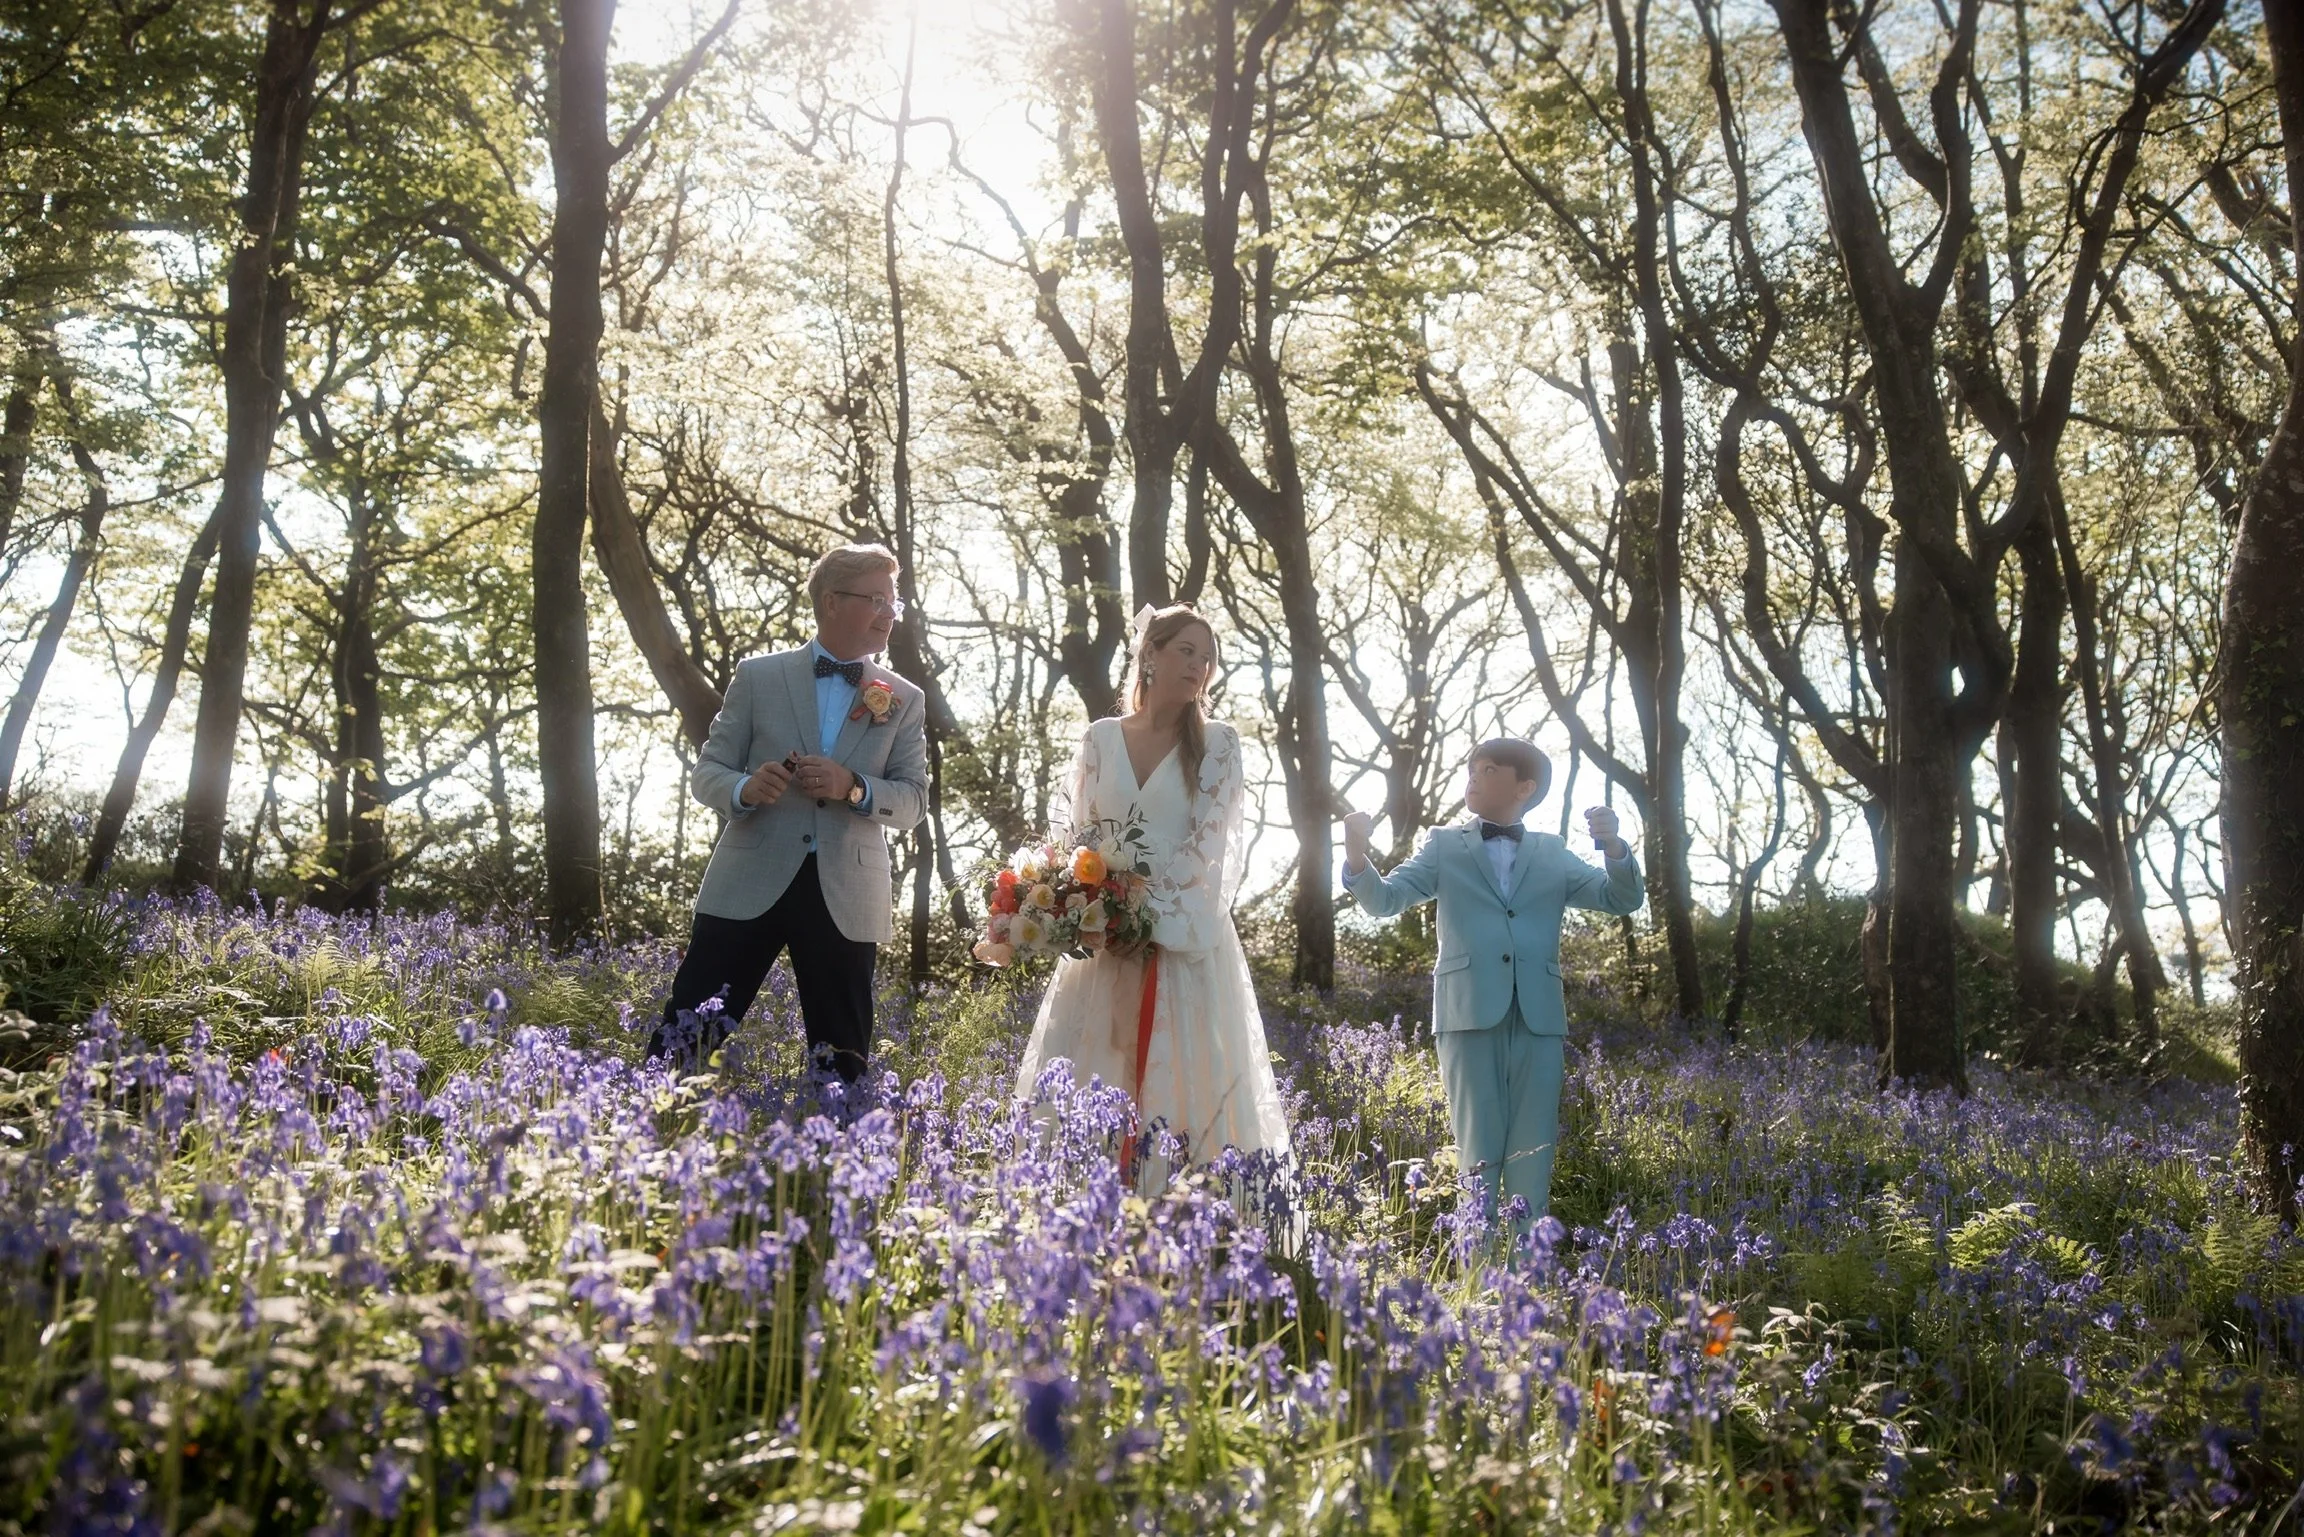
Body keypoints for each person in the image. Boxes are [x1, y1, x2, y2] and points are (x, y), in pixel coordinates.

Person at [1012, 604, 1291, 1171]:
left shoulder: (1219, 744)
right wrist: (1088, 907)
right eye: (1186, 650)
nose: (1199, 665)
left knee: (1181, 1079)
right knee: (1093, 1071)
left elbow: (1212, 848)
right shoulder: (1100, 738)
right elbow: (1076, 837)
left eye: (1208, 657)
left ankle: (1185, 1218)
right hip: (1102, 941)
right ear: (1151, 656)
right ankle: (1082, 1215)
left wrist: (1143, 916)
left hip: (1179, 939)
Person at [1341, 739, 1644, 1235]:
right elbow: (1386, 900)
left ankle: (1528, 1277)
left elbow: (1620, 898)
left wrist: (1614, 847)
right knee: (1478, 1150)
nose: (1474, 778)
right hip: (1467, 1011)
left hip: (1540, 1016)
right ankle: (1477, 1272)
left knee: (1535, 1149)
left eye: (1488, 769)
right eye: (1471, 769)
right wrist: (1355, 853)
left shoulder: (1552, 852)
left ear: (1524, 787)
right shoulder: (1444, 844)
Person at [650, 543, 928, 1079]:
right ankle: (652, 1140)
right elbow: (708, 773)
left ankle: (837, 1158)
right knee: (686, 1036)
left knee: (843, 1056)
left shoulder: (902, 697)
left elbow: (913, 801)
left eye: (894, 601)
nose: (889, 613)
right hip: (748, 878)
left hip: (847, 890)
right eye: (877, 599)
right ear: (831, 601)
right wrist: (745, 789)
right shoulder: (758, 676)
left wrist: (854, 786)